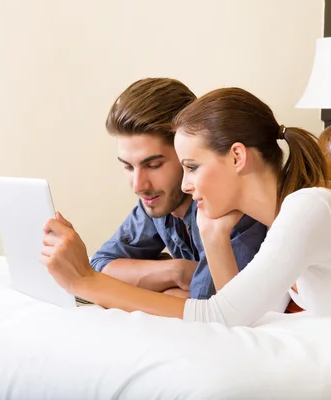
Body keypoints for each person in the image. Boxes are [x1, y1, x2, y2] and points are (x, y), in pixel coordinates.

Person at [41, 87, 331, 327]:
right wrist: (215, 237)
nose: (188, 182)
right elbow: (251, 314)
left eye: (193, 166)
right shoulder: (283, 222)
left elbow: (216, 315)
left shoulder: (307, 209)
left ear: (237, 157)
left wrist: (87, 281)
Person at [88, 78, 268, 299]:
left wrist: (152, 283)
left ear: (186, 152)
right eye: (127, 166)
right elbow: (98, 266)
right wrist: (177, 272)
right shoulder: (156, 200)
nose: (138, 185)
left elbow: (208, 309)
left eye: (153, 165)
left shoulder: (225, 206)